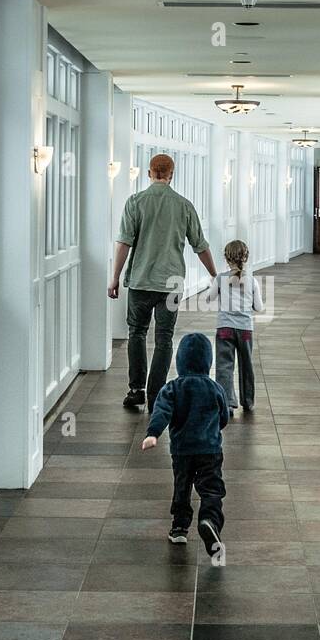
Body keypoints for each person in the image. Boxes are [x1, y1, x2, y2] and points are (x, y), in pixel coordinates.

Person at [108, 153, 218, 413]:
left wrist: (114, 277)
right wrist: (215, 274)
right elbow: (200, 246)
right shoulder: (183, 205)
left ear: (149, 173)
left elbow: (124, 243)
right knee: (164, 338)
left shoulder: (135, 202)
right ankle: (157, 393)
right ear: (172, 174)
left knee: (136, 332)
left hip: (140, 281)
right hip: (170, 284)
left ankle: (136, 390)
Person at [140, 332, 229, 553]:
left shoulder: (172, 388)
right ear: (208, 361)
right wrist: (215, 428)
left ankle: (179, 528)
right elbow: (224, 416)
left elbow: (161, 412)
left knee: (182, 487)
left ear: (179, 360)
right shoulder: (215, 387)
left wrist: (153, 434)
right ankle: (209, 520)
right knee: (211, 489)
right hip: (210, 449)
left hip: (182, 451)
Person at [205, 239, 263, 412]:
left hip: (225, 329)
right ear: (245, 258)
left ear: (226, 258)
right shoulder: (252, 281)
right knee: (246, 364)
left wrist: (212, 285)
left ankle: (227, 403)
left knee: (224, 366)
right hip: (245, 329)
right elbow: (259, 307)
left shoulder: (220, 279)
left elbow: (209, 298)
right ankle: (248, 401)